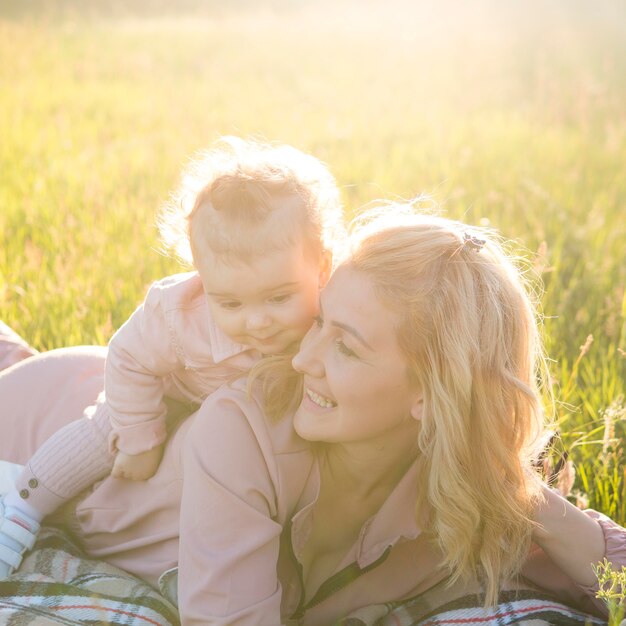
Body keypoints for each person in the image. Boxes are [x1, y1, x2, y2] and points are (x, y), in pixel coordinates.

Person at [0, 204, 624, 626]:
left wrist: (518, 490)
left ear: (431, 395)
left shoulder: (452, 498)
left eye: (346, 346)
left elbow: (616, 587)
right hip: (44, 420)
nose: (303, 359)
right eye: (318, 321)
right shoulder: (242, 432)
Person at [0, 136, 344, 578]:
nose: (258, 322)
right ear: (203, 278)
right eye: (232, 304)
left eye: (278, 297)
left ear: (322, 266)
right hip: (166, 392)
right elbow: (127, 359)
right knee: (102, 432)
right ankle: (23, 506)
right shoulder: (180, 315)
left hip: (232, 429)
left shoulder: (337, 308)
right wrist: (139, 434)